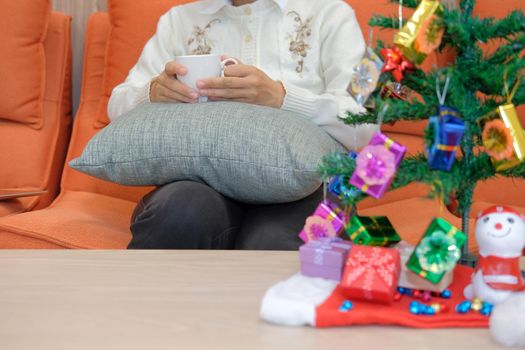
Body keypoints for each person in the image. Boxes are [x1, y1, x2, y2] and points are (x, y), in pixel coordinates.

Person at [108, 0, 377, 250]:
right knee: (179, 216)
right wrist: (152, 92)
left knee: (271, 242)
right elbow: (116, 107)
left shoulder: (331, 13)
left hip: (309, 186)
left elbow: (367, 124)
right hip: (201, 179)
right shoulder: (179, 21)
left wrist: (282, 97)